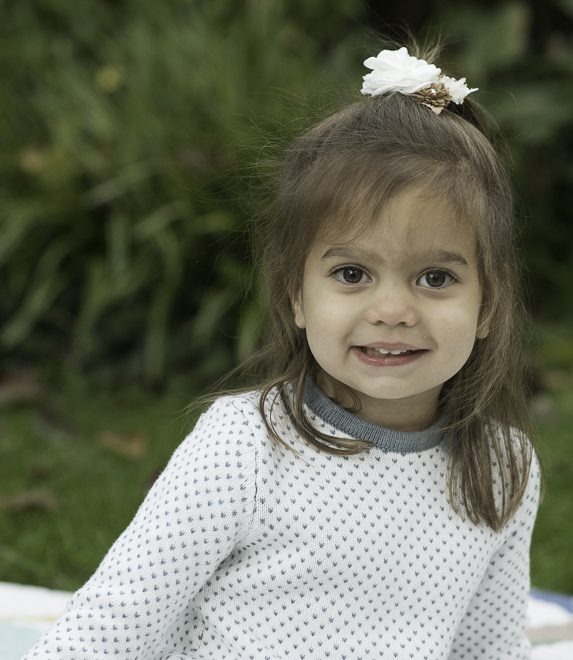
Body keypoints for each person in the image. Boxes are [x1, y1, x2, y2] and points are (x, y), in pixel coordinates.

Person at [23, 45, 542, 659]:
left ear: (488, 304)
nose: (393, 310)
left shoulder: (503, 467)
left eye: (435, 278)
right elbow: (113, 623)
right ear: (297, 295)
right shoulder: (246, 444)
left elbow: (487, 650)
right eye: (352, 274)